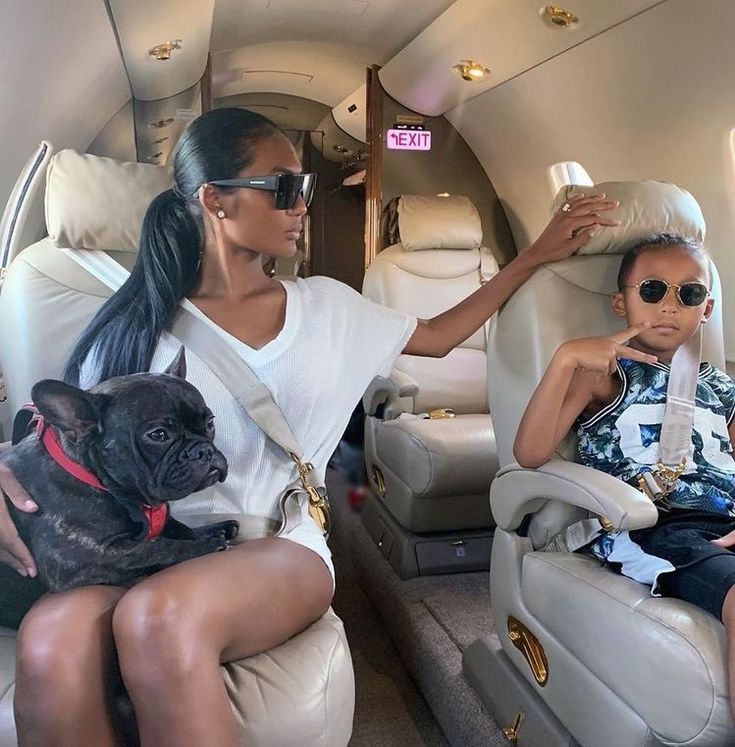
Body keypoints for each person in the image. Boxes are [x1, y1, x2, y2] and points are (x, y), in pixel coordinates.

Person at [0, 107, 619, 746]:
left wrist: (537, 254)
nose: (303, 207)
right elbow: (56, 440)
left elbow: (437, 337)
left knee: (159, 617)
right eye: (285, 189)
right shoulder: (131, 324)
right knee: (49, 640)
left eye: (307, 189)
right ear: (215, 200)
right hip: (143, 545)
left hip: (274, 544)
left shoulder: (327, 308)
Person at [514, 234, 735, 719]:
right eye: (652, 290)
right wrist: (567, 357)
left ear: (708, 307)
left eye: (689, 294)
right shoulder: (604, 375)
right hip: (657, 525)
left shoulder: (721, 386)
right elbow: (530, 452)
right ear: (621, 302)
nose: (670, 306)